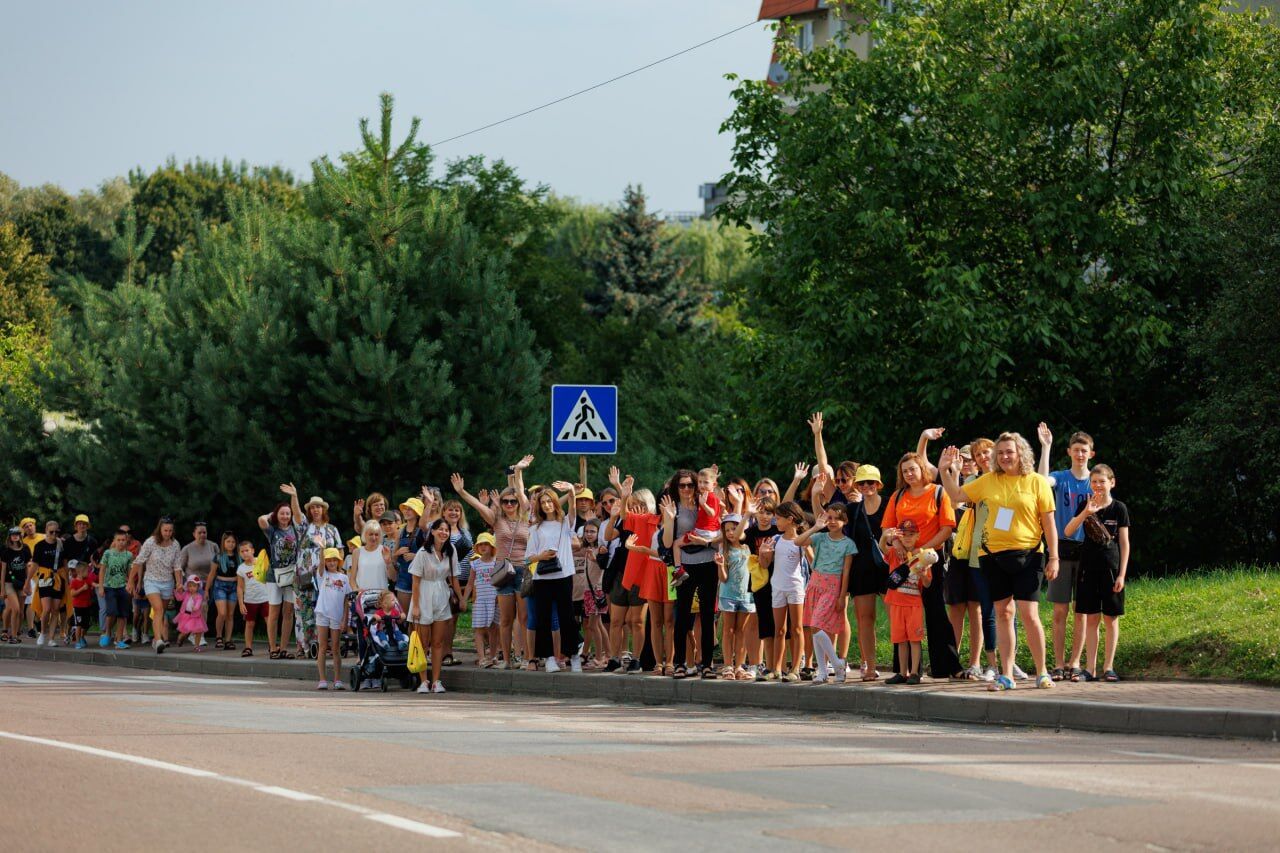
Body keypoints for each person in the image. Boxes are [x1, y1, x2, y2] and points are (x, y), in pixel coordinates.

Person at [940, 435, 1059, 692]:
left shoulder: (1037, 482)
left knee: (1029, 614)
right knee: (1004, 614)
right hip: (992, 557)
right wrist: (944, 470)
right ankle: (1006, 675)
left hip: (1030, 555)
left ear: (1021, 454)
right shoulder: (988, 481)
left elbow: (1049, 523)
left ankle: (1042, 672)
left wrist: (1054, 557)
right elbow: (956, 495)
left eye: (1010, 452)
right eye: (1001, 453)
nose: (1005, 456)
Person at [880, 451, 963, 680]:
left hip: (929, 560)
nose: (909, 474)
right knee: (902, 615)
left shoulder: (938, 492)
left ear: (922, 469)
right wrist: (896, 543)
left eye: (913, 469)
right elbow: (888, 527)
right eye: (905, 470)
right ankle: (904, 670)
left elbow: (947, 528)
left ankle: (948, 666)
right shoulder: (897, 496)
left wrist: (922, 550)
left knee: (936, 612)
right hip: (902, 563)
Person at [454, 461, 531, 670]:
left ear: (518, 503)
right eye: (505, 501)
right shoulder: (496, 519)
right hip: (502, 569)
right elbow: (477, 505)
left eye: (512, 501)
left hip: (522, 569)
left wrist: (518, 473)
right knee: (505, 619)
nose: (508, 504)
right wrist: (462, 492)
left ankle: (525, 657)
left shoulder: (527, 518)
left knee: (523, 617)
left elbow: (522, 491)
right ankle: (506, 659)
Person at [1038, 423, 1097, 681]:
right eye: (1076, 450)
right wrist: (1046, 447)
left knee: (1081, 610)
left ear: (1091, 454)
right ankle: (1059, 663)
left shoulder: (1096, 481)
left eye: (1084, 450)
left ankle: (1076, 662)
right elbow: (1040, 482)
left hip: (1088, 549)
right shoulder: (1061, 477)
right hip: (1061, 548)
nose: (1080, 454)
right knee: (1060, 610)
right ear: (1069, 452)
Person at [1064, 465, 1130, 683]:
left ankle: (1108, 667)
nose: (1098, 486)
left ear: (1112, 482)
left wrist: (1121, 575)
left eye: (1102, 481)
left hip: (1111, 569)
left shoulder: (1119, 508)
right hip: (1087, 569)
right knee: (1091, 619)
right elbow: (1068, 531)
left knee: (1111, 619)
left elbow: (1124, 543)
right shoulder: (1086, 504)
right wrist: (1086, 512)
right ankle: (1090, 669)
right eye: (1094, 482)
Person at [667, 469, 720, 678]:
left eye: (691, 485)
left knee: (707, 616)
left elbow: (721, 531)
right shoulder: (674, 508)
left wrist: (706, 541)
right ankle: (679, 663)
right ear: (676, 488)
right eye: (683, 485)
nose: (688, 489)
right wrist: (670, 519)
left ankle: (707, 664)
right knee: (682, 616)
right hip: (686, 564)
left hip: (708, 561)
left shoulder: (706, 500)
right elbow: (668, 542)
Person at [526, 480, 582, 673]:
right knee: (544, 619)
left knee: (567, 617)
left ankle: (574, 655)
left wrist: (572, 490)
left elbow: (573, 508)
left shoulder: (565, 522)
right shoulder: (535, 529)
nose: (547, 505)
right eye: (543, 503)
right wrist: (540, 556)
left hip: (563, 575)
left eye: (550, 501)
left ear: (555, 503)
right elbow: (527, 559)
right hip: (542, 578)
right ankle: (548, 657)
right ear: (539, 506)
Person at [759, 501, 813, 682]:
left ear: (790, 519)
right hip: (777, 587)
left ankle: (795, 668)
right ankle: (776, 668)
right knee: (779, 630)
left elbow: (814, 563)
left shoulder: (802, 540)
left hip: (796, 588)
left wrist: (808, 550)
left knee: (796, 628)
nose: (776, 521)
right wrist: (762, 553)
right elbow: (764, 565)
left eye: (779, 518)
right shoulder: (775, 539)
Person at [801, 505, 856, 684]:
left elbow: (846, 572)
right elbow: (798, 542)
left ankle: (837, 663)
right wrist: (816, 526)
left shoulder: (848, 544)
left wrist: (842, 596)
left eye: (836, 518)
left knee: (817, 625)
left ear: (845, 521)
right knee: (814, 628)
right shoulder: (820, 537)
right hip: (815, 584)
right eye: (829, 518)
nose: (832, 522)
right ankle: (823, 671)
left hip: (833, 587)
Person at [409, 518, 464, 694]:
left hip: (441, 593)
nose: (443, 533)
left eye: (446, 530)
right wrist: (416, 606)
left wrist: (461, 598)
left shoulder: (451, 551)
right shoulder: (423, 553)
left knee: (438, 642)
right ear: (432, 531)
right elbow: (415, 582)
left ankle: (436, 681)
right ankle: (423, 681)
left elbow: (454, 577)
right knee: (423, 642)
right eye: (440, 529)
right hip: (424, 594)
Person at [601, 470, 647, 674]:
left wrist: (621, 489)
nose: (635, 507)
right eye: (632, 502)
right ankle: (614, 658)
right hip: (620, 573)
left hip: (639, 574)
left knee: (636, 621)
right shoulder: (624, 519)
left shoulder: (649, 520)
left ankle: (636, 659)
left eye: (640, 504)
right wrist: (612, 517)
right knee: (616, 620)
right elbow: (609, 535)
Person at [882, 520, 936, 684]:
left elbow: (927, 583)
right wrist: (886, 536)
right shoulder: (894, 553)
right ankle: (902, 672)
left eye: (911, 534)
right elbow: (882, 547)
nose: (907, 538)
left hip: (914, 604)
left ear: (918, 536)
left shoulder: (923, 557)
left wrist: (921, 574)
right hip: (896, 602)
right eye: (904, 535)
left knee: (914, 639)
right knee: (900, 639)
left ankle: (914, 673)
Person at [257, 483, 305, 660]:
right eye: (282, 513)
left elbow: (300, 516)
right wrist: (271, 515)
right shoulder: (273, 531)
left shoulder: (296, 530)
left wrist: (294, 496)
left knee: (288, 612)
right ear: (277, 515)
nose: (285, 516)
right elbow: (261, 520)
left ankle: (284, 647)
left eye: (287, 513)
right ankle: (272, 647)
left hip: (291, 575)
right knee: (274, 611)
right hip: (274, 576)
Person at [298, 496, 342, 658]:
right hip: (306, 576)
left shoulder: (332, 529)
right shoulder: (304, 528)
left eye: (319, 507)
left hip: (327, 576)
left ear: (324, 509)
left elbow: (340, 550)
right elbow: (296, 514)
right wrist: (295, 496)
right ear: (309, 510)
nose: (316, 510)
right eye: (312, 507)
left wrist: (339, 570)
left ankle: (324, 646)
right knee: (306, 611)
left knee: (326, 610)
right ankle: (306, 647)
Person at [716, 513, 755, 680]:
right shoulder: (724, 549)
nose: (731, 532)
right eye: (727, 530)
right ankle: (727, 666)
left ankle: (739, 665)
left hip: (746, 595)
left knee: (741, 631)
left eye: (734, 528)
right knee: (728, 630)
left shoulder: (748, 547)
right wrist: (720, 566)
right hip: (728, 595)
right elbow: (723, 578)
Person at [674, 467, 722, 586]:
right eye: (700, 482)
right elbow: (720, 505)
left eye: (705, 482)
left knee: (676, 544)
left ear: (714, 484)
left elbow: (712, 513)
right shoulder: (706, 495)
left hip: (703, 532)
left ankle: (678, 570)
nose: (702, 485)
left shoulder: (710, 497)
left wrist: (704, 505)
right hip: (707, 532)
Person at [440, 497, 473, 668]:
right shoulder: (441, 531)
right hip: (447, 581)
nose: (454, 513)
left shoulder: (465, 532)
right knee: (445, 619)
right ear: (443, 512)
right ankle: (443, 653)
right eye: (450, 510)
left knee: (453, 619)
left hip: (463, 581)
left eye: (457, 510)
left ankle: (448, 652)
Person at [313, 548, 351, 690]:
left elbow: (346, 600)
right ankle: (322, 679)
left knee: (335, 648)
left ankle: (337, 679)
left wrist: (345, 619)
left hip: (337, 615)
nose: (331, 562)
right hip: (322, 613)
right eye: (329, 560)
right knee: (322, 646)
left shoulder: (344, 578)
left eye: (334, 560)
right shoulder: (322, 575)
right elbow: (321, 565)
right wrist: (322, 548)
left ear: (338, 561)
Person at [177, 522, 219, 648]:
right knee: (203, 606)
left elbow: (219, 563)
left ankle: (189, 632)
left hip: (210, 582)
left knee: (202, 609)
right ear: (194, 534)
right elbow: (179, 568)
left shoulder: (213, 546)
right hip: (194, 585)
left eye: (204, 532)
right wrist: (180, 584)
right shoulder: (187, 549)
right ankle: (198, 636)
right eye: (199, 532)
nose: (202, 534)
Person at [464, 533, 500, 667]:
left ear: (492, 547)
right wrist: (464, 599)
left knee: (493, 629)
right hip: (480, 601)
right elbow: (469, 584)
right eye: (481, 545)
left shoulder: (497, 562)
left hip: (494, 600)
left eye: (486, 544)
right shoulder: (475, 564)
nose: (483, 547)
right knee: (479, 629)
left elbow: (501, 581)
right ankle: (482, 657)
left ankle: (493, 655)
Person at [31, 520, 66, 647]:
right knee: (46, 609)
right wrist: (26, 582)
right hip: (44, 577)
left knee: (56, 609)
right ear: (46, 531)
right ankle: (42, 633)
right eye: (51, 531)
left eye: (57, 532)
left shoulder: (61, 544)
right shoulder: (40, 545)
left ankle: (51, 638)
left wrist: (67, 580)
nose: (54, 534)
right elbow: (34, 564)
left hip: (58, 577)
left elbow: (65, 563)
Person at [97, 529, 134, 649]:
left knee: (123, 614)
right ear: (114, 540)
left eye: (123, 540)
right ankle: (107, 632)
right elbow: (102, 570)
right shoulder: (108, 553)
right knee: (111, 611)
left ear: (126, 541)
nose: (121, 542)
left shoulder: (129, 555)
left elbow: (130, 572)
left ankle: (119, 640)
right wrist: (101, 586)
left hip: (123, 586)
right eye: (119, 540)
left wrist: (130, 584)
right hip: (110, 586)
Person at [235, 540, 268, 657]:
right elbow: (239, 587)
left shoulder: (261, 561)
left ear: (253, 551)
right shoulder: (241, 568)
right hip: (250, 600)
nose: (245, 553)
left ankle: (272, 646)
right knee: (249, 624)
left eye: (247, 550)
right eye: (242, 551)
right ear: (239, 554)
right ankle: (248, 648)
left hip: (266, 598)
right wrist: (240, 603)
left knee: (269, 622)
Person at [207, 532, 239, 650]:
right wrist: (206, 590)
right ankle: (219, 636)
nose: (231, 544)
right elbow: (211, 574)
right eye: (228, 542)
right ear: (223, 543)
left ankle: (228, 639)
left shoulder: (238, 557)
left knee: (230, 615)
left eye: (233, 542)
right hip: (220, 585)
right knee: (222, 613)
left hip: (234, 586)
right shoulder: (219, 556)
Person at [393, 496, 425, 612]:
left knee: (419, 617)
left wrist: (416, 556)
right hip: (403, 578)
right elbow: (393, 558)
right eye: (405, 508)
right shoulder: (400, 531)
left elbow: (432, 555)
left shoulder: (423, 531)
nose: (406, 511)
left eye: (410, 509)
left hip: (422, 579)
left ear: (417, 513)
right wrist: (397, 553)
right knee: (404, 617)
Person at [2, 528, 32, 643]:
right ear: (9, 536)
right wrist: (2, 590)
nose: (15, 536)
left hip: (22, 582)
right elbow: (3, 570)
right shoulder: (6, 550)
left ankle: (16, 633)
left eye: (17, 534)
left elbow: (27, 568)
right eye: (12, 535)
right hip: (9, 583)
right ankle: (13, 636)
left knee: (20, 612)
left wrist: (28, 584)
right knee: (15, 608)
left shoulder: (25, 549)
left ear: (20, 536)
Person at [351, 521, 394, 595]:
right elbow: (352, 579)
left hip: (382, 597)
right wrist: (356, 590)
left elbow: (393, 577)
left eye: (376, 535)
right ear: (365, 535)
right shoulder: (357, 552)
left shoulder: (385, 550)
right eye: (371, 534)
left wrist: (388, 562)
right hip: (363, 597)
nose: (374, 537)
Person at [173, 574, 208, 650]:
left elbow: (198, 604)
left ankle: (196, 646)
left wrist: (195, 608)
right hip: (185, 615)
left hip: (196, 616)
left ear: (198, 587)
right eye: (190, 586)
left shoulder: (199, 596)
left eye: (194, 586)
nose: (192, 588)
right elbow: (179, 598)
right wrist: (177, 591)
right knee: (185, 630)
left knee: (198, 632)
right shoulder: (186, 594)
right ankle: (180, 637)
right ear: (187, 586)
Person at [67, 560, 95, 649]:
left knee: (86, 624)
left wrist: (100, 586)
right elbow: (72, 594)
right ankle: (77, 641)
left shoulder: (88, 579)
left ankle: (82, 637)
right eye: (87, 571)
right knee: (78, 625)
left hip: (87, 606)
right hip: (78, 607)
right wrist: (82, 589)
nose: (88, 573)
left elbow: (93, 583)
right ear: (80, 572)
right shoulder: (74, 582)